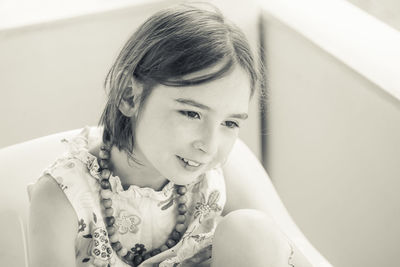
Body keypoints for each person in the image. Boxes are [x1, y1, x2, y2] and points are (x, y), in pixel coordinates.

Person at [28, 3, 299, 267]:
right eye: (191, 114)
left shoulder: (217, 175)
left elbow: (287, 253)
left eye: (229, 123)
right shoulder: (62, 196)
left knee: (251, 230)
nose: (208, 145)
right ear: (129, 95)